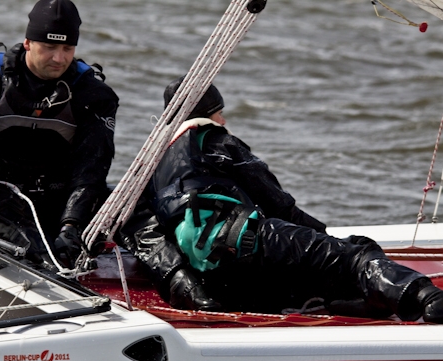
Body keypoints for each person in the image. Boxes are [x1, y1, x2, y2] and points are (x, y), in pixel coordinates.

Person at [119, 75, 443, 323]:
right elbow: (276, 202)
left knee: (290, 274)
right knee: (356, 254)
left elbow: (138, 225)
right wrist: (325, 240)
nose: (224, 121)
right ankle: (425, 297)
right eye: (219, 113)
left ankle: (346, 301)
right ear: (207, 115)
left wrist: (182, 281)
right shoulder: (215, 140)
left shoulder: (153, 163)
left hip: (206, 267)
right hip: (239, 236)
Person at [0, 0, 119, 267]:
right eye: (50, 47)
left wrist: (72, 225)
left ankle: (177, 279)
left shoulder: (94, 95)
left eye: (67, 49)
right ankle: (46, 265)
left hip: (60, 199)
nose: (59, 58)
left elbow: (92, 167)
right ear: (28, 43)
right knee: (33, 245)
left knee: (135, 205)